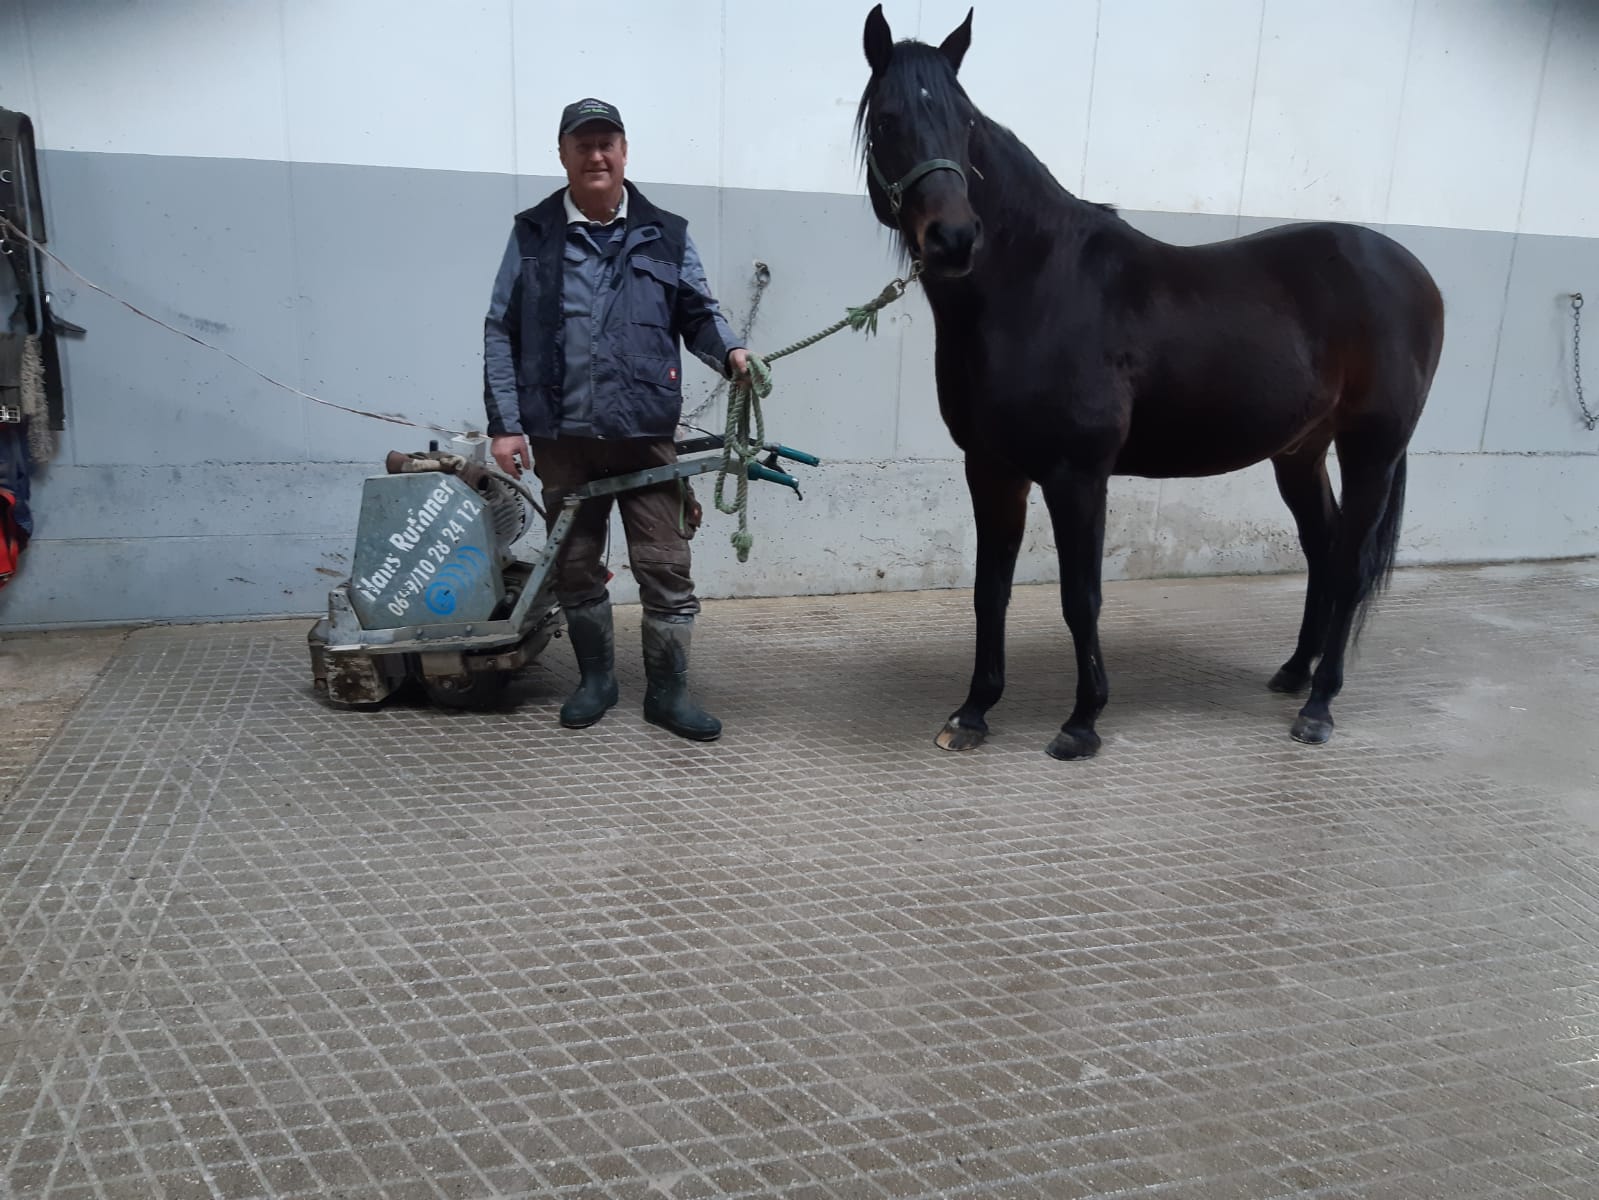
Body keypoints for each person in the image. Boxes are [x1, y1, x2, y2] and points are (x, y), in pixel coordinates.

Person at [482, 97, 749, 742]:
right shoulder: (533, 232)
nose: (596, 155)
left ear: (624, 152)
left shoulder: (667, 232)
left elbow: (699, 314)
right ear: (564, 155)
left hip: (644, 432)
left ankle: (668, 693)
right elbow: (501, 328)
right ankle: (596, 681)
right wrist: (505, 424)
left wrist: (732, 351)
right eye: (583, 145)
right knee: (573, 563)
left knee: (665, 562)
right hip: (561, 435)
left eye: (608, 143)